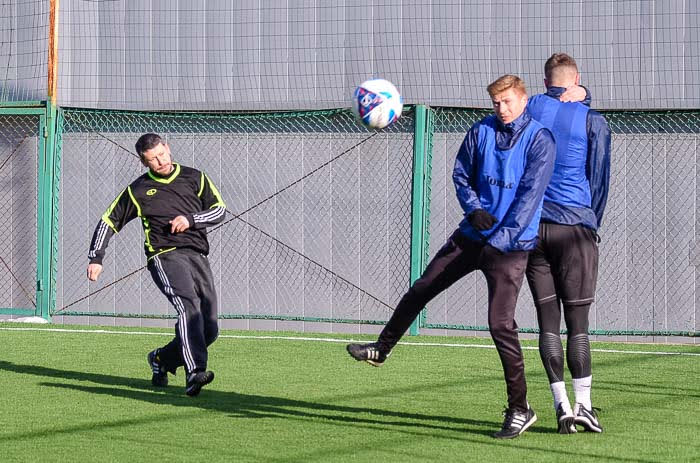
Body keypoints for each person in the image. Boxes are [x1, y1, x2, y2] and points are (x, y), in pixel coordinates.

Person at [347, 75, 556, 439]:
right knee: (422, 287)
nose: (501, 109)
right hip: (472, 235)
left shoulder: (540, 139)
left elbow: (529, 198)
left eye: (507, 102)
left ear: (523, 100)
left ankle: (521, 409)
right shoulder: (480, 131)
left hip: (509, 248)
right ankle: (381, 349)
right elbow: (461, 174)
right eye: (495, 103)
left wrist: (501, 239)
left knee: (499, 325)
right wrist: (474, 209)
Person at [86, 133, 226, 397]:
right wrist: (96, 257)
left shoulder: (195, 177)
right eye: (152, 160)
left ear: (168, 148)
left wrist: (191, 219)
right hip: (165, 255)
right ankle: (195, 372)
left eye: (162, 154)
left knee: (209, 328)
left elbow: (219, 210)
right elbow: (109, 220)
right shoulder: (139, 190)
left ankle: (161, 359)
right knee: (189, 307)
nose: (160, 161)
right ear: (144, 162)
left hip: (197, 254)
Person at [525, 53, 611, 433]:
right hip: (575, 228)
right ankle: (585, 406)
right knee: (578, 325)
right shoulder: (592, 119)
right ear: (575, 80)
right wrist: (592, 224)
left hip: (533, 231)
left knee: (547, 324)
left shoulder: (528, 110)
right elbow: (600, 178)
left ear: (545, 83)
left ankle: (560, 407)